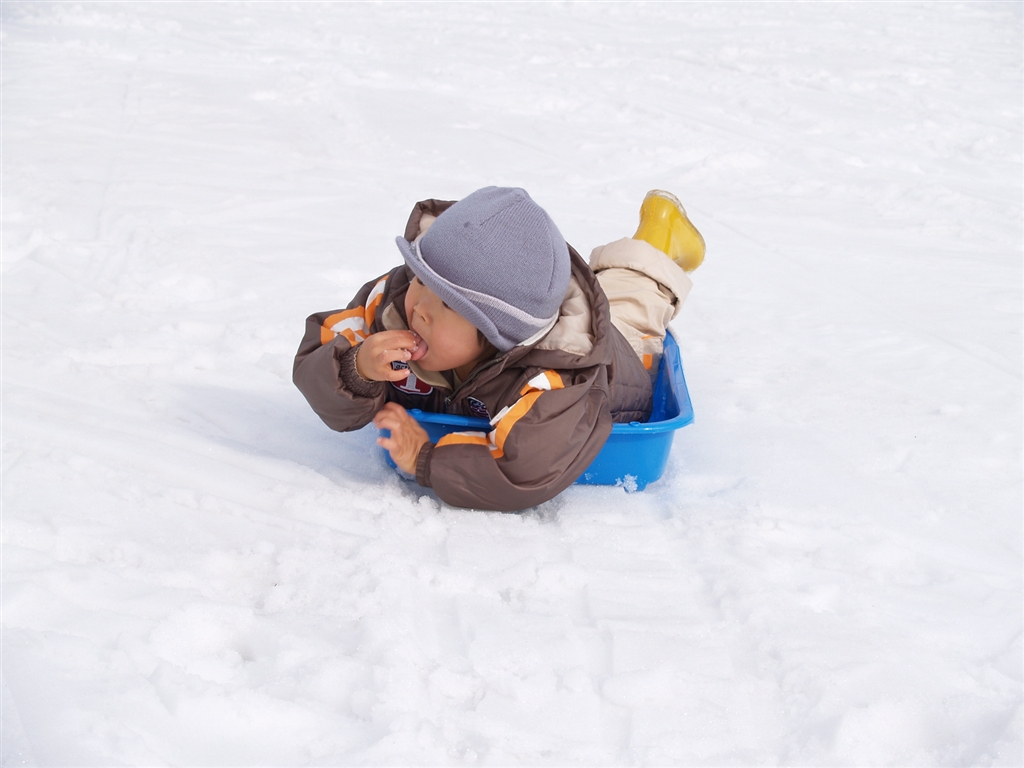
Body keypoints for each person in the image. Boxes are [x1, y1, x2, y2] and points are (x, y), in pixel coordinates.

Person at [293, 187, 704, 511]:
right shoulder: (392, 304)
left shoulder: (558, 378)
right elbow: (321, 348)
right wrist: (355, 367)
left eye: (448, 304)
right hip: (525, 304)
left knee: (631, 302)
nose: (418, 310)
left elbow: (526, 469)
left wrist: (425, 459)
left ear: (497, 336)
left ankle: (661, 236)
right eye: (421, 279)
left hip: (616, 364)